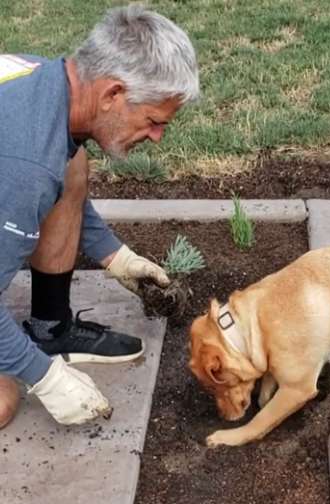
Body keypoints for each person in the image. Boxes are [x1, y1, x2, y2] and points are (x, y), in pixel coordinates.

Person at [0, 4, 199, 428]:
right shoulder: (25, 165)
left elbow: (54, 178)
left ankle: (50, 328)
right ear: (112, 94)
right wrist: (45, 378)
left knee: (72, 163)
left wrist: (115, 256)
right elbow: (32, 175)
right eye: (152, 121)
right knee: (3, 398)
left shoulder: (42, 82)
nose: (157, 137)